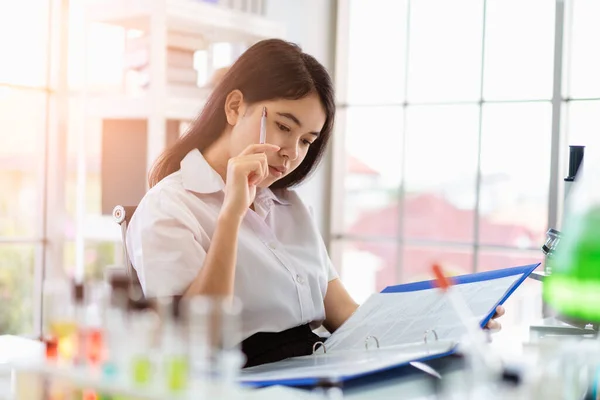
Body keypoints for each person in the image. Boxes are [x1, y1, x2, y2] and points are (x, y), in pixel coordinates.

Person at [126, 39, 504, 368]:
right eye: (284, 127)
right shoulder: (169, 206)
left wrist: (452, 324)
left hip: (322, 367)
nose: (292, 153)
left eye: (307, 140)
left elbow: (347, 317)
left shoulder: (289, 206)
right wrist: (230, 215)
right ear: (235, 107)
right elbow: (196, 340)